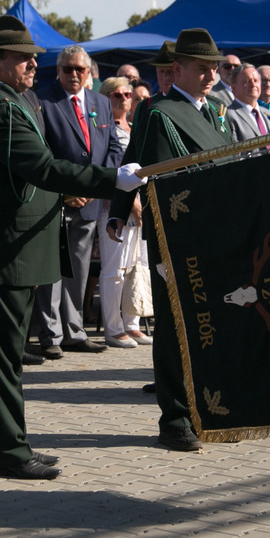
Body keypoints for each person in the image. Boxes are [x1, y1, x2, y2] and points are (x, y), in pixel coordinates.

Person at [0, 16, 144, 479]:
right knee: (0, 359)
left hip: (4, 250)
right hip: (2, 252)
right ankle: (10, 452)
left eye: (33, 56)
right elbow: (41, 167)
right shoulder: (1, 106)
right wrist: (111, 180)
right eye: (22, 58)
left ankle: (6, 443)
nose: (33, 63)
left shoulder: (3, 100)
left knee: (2, 358)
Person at [108, 28, 234, 452]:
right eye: (202, 69)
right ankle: (175, 418)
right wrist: (118, 211)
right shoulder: (157, 111)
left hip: (215, 230)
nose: (211, 76)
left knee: (209, 324)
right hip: (174, 232)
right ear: (177, 69)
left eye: (215, 68)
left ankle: (208, 408)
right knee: (175, 328)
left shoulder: (216, 112)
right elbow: (134, 162)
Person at [32, 45, 124, 358]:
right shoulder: (43, 100)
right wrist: (65, 190)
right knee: (52, 269)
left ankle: (75, 330)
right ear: (58, 71)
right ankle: (51, 334)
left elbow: (112, 147)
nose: (74, 75)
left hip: (90, 202)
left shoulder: (100, 101)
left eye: (80, 70)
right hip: (56, 200)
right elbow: (42, 151)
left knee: (79, 270)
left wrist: (100, 186)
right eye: (68, 69)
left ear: (89, 73)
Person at [96, 77, 152, 348]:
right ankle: (113, 326)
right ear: (106, 97)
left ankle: (132, 322)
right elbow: (110, 167)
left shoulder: (135, 128)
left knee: (137, 265)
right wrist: (131, 201)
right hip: (116, 205)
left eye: (127, 94)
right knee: (114, 269)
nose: (123, 99)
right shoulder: (105, 129)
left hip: (140, 204)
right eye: (116, 94)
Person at [225, 63, 270, 141]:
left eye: (256, 80)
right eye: (247, 81)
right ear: (234, 88)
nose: (253, 84)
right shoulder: (228, 116)